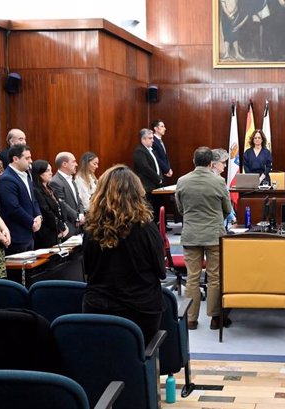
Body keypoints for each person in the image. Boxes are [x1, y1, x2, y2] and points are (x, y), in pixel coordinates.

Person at [83, 164, 166, 345]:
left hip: (98, 309)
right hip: (141, 310)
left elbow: (88, 269)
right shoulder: (146, 228)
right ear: (138, 192)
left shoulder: (91, 228)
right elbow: (161, 271)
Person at [175, 147, 232, 330]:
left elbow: (180, 209)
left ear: (194, 161)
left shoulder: (182, 181)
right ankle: (215, 318)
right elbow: (227, 209)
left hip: (191, 234)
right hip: (214, 234)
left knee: (192, 278)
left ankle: (191, 319)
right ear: (210, 163)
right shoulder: (219, 182)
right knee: (214, 277)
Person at [0, 145, 42, 255]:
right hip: (16, 235)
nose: (31, 161)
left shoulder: (26, 175)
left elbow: (33, 201)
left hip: (29, 233)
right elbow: (13, 208)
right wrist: (31, 222)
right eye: (27, 158)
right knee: (18, 272)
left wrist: (39, 217)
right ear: (15, 159)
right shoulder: (7, 179)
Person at [32, 160, 69, 249]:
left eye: (51, 170)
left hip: (57, 231)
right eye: (47, 171)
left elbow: (60, 206)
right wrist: (61, 227)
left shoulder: (50, 188)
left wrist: (63, 223)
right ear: (39, 173)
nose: (51, 173)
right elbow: (46, 211)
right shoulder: (36, 190)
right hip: (46, 233)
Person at [50, 152, 85, 236]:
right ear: (64, 164)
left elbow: (78, 199)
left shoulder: (72, 180)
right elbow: (62, 204)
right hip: (69, 226)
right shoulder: (55, 181)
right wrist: (77, 217)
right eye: (73, 161)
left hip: (79, 225)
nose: (76, 164)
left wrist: (81, 214)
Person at [133, 128, 163, 220]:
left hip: (155, 184)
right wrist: (158, 178)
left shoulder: (151, 150)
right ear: (143, 139)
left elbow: (157, 165)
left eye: (152, 138)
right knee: (149, 209)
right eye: (150, 138)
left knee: (157, 208)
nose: (153, 140)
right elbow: (145, 168)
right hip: (146, 185)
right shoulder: (139, 151)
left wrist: (160, 178)